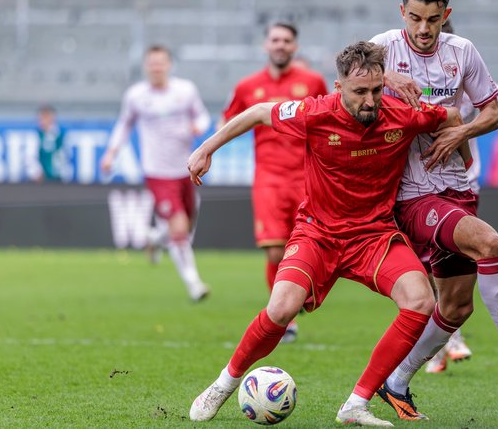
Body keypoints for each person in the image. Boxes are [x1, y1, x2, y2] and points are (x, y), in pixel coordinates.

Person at [187, 41, 465, 427]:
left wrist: (460, 146)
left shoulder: (402, 113)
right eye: (359, 92)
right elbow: (257, 112)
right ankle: (224, 383)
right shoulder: (314, 112)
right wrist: (206, 149)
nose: (370, 101)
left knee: (420, 300)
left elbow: (453, 115)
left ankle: (356, 403)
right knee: (281, 308)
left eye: (375, 91)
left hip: (374, 236)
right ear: (339, 88)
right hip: (318, 233)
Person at [370, 0, 498, 422]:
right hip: (412, 193)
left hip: (457, 187)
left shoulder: (463, 52)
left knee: (456, 305)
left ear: (445, 15)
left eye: (432, 20)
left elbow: (495, 110)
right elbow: (341, 81)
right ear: (402, 13)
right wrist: (384, 75)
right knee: (490, 244)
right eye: (415, 18)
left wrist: (462, 130)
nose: (423, 29)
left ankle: (395, 382)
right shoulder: (381, 49)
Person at [422, 20, 498, 374]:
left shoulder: (479, 86)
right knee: (426, 270)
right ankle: (446, 340)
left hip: (461, 189)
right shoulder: (409, 83)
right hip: (415, 190)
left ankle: (451, 337)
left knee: (442, 268)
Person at [218, 22, 328, 343]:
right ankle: (286, 319)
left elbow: (332, 118)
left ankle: (299, 295)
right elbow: (228, 121)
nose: (280, 45)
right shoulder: (247, 86)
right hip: (268, 178)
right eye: (275, 39)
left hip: (308, 177)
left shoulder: (312, 81)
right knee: (274, 252)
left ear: (295, 47)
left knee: (313, 247)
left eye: (286, 40)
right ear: (266, 45)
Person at [100, 45, 211, 302]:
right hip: (157, 172)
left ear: (169, 65)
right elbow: (124, 125)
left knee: (186, 224)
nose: (156, 67)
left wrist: (198, 126)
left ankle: (153, 237)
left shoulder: (186, 91)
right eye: (152, 63)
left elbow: (203, 116)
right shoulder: (136, 96)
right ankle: (194, 283)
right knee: (180, 227)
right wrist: (110, 153)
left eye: (160, 63)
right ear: (146, 66)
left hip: (185, 169)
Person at [35, 105, 67, 183]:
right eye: (42, 117)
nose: (44, 121)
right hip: (43, 179)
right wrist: (36, 172)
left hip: (59, 178)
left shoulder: (60, 135)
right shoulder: (36, 136)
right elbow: (31, 157)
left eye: (46, 117)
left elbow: (65, 156)